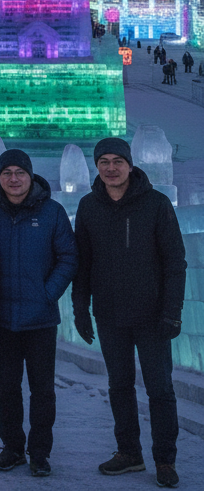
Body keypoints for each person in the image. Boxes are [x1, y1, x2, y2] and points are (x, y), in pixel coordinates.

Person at [72, 138, 186, 488]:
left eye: (117, 161)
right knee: (119, 385)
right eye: (103, 161)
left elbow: (174, 262)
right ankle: (129, 453)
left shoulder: (156, 204)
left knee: (160, 389)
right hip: (110, 314)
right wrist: (80, 308)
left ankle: (164, 459)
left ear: (130, 164)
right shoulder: (89, 206)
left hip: (152, 316)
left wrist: (171, 311)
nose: (110, 168)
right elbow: (83, 263)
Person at [0, 149, 77, 477]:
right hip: (3, 318)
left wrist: (47, 294)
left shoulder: (52, 212)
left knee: (42, 389)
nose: (14, 178)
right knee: (7, 387)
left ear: (30, 175)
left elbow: (67, 257)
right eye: (7, 172)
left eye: (20, 172)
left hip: (40, 319)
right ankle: (12, 448)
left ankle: (39, 452)